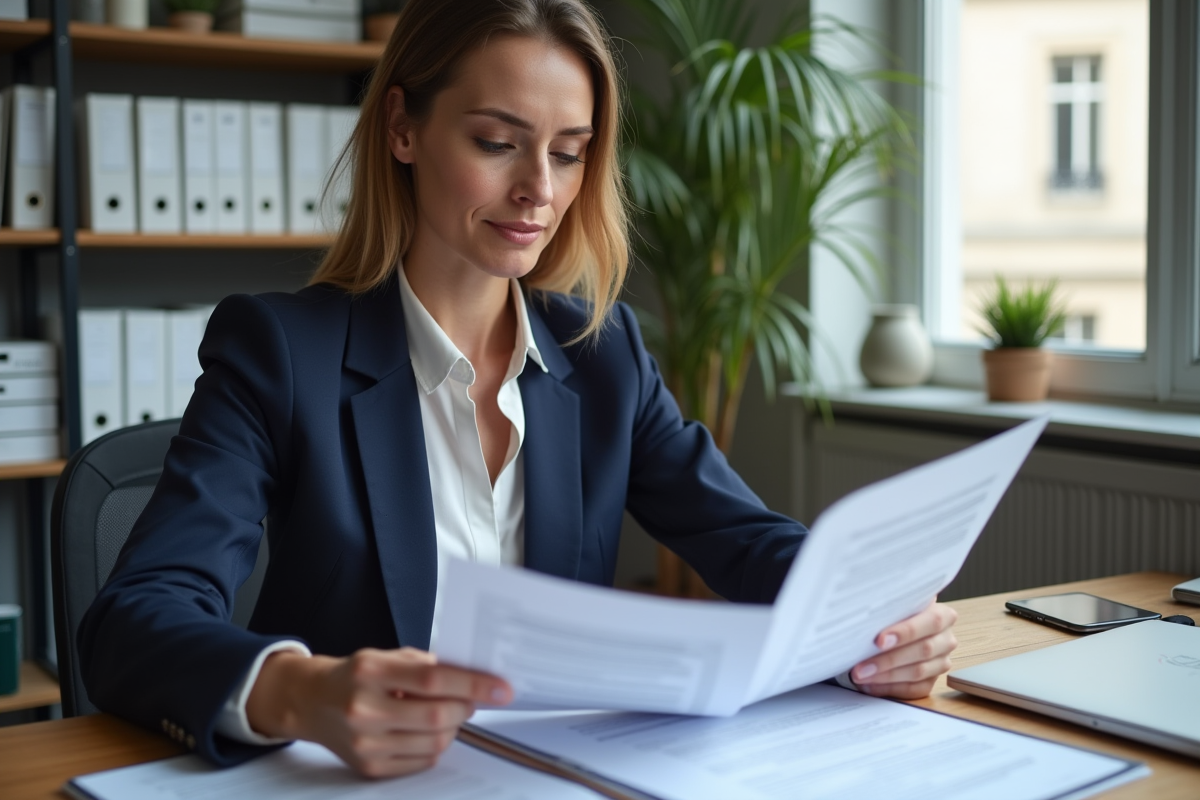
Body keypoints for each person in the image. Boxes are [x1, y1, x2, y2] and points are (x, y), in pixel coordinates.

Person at [79, 0, 958, 779]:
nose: (540, 190)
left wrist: (873, 628)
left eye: (570, 154)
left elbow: (746, 540)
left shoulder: (602, 351)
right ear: (403, 129)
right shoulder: (279, 350)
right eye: (497, 143)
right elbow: (135, 619)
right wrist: (301, 691)